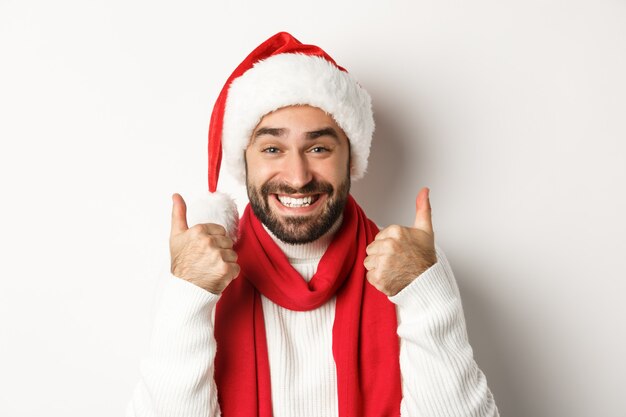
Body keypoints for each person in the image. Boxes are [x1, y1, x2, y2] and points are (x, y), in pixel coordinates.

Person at [127, 32, 499, 417]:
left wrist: (424, 292)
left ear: (350, 159)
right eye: (273, 148)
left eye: (318, 148)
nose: (298, 176)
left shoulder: (410, 264)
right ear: (246, 161)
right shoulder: (199, 269)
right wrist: (188, 294)